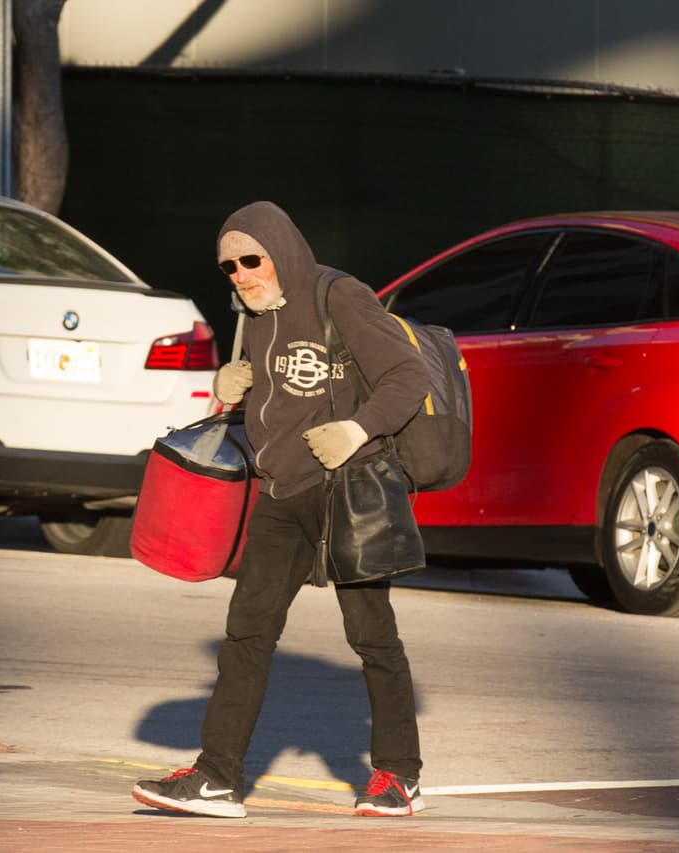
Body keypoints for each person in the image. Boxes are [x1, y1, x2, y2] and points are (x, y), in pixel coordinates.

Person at [131, 201, 430, 819]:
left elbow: (408, 376)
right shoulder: (254, 314)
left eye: (252, 260)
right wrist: (229, 393)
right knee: (246, 634)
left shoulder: (338, 295)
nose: (241, 274)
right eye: (229, 266)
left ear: (282, 251)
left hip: (350, 489)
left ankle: (399, 776)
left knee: (372, 636)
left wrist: (356, 429)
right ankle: (217, 777)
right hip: (280, 493)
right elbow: (281, 406)